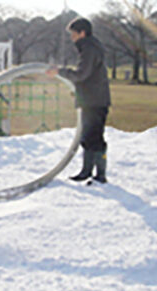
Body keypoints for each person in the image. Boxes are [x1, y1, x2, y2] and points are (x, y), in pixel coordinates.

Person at [46, 17, 111, 184]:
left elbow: (81, 74)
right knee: (88, 137)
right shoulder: (90, 47)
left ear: (82, 33)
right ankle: (87, 171)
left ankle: (100, 175)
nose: (71, 37)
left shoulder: (89, 49)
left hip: (94, 101)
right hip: (92, 99)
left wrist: (59, 72)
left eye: (73, 34)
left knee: (94, 138)